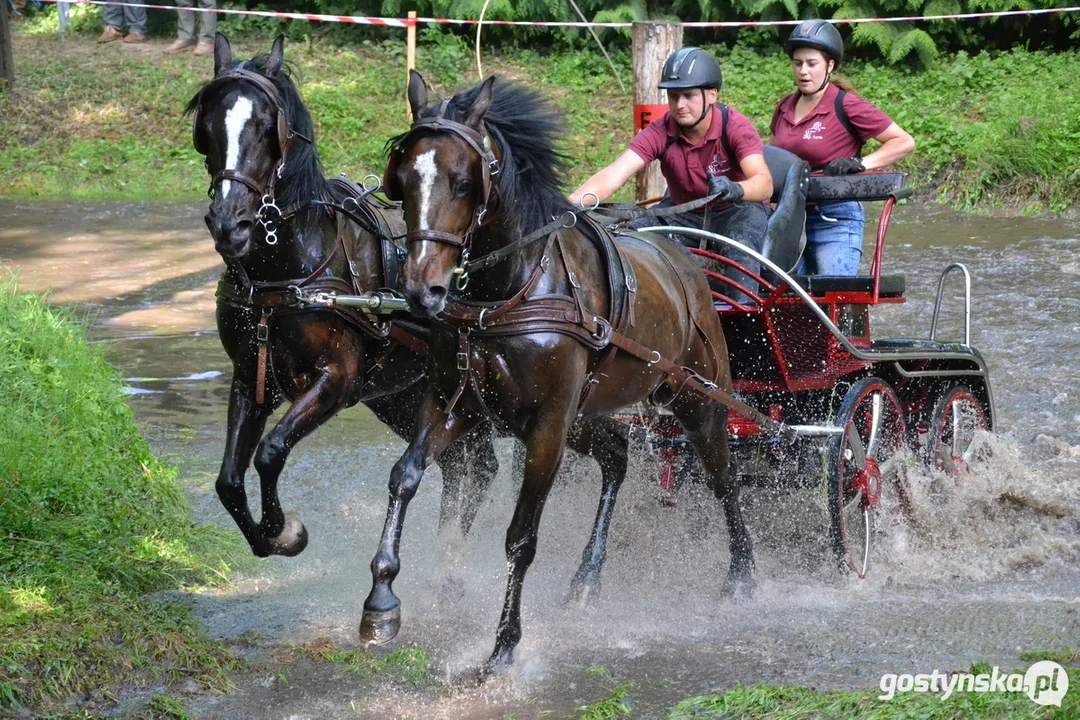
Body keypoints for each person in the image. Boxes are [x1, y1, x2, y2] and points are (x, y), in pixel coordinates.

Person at [569, 47, 773, 302]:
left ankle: (745, 323)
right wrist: (568, 204)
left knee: (739, 244)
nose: (679, 105)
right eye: (673, 96)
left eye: (688, 96)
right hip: (682, 213)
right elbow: (614, 174)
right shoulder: (661, 130)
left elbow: (764, 183)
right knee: (631, 235)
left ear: (712, 94)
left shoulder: (734, 126)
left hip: (737, 211)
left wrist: (736, 189)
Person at [770, 19, 914, 276]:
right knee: (789, 303)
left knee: (833, 296)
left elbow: (904, 142)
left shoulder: (846, 104)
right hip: (790, 218)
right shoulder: (784, 107)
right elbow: (775, 159)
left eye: (812, 64)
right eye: (798, 63)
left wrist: (860, 164)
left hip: (835, 217)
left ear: (830, 65)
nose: (804, 71)